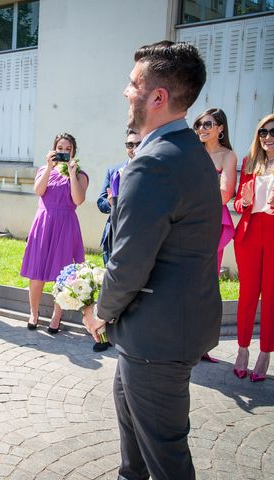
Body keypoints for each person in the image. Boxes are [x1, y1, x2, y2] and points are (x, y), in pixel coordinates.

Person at [82, 41, 221, 480]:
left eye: (133, 83)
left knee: (166, 458)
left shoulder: (154, 163)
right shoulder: (191, 153)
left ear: (157, 97)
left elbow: (128, 263)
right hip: (165, 330)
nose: (126, 92)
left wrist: (100, 314)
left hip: (155, 338)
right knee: (136, 452)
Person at [20, 133, 88, 334]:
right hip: (44, 223)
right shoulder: (44, 169)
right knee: (36, 272)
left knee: (63, 274)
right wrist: (49, 167)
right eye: (60, 147)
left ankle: (56, 317)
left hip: (65, 225)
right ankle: (34, 313)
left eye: (68, 149)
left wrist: (73, 174)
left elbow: (78, 200)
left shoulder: (81, 175)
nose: (64, 151)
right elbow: (39, 191)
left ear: (74, 151)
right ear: (54, 149)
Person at [233, 113, 274, 383]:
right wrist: (244, 203)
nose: (268, 137)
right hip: (248, 235)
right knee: (247, 295)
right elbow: (237, 203)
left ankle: (265, 354)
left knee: (270, 296)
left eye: (273, 132)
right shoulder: (250, 163)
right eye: (263, 132)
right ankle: (242, 350)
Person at [93, 129, 141, 352]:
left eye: (137, 144)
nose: (133, 149)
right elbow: (100, 202)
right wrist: (111, 202)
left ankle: (127, 334)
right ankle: (105, 334)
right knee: (109, 284)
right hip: (112, 235)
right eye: (129, 144)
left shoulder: (150, 172)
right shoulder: (114, 171)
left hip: (136, 238)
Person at [194, 108, 237, 273]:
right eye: (198, 124)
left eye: (207, 124)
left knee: (206, 273)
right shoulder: (191, 152)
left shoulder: (228, 156)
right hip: (184, 218)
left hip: (210, 220)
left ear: (220, 128)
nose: (201, 129)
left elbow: (224, 196)